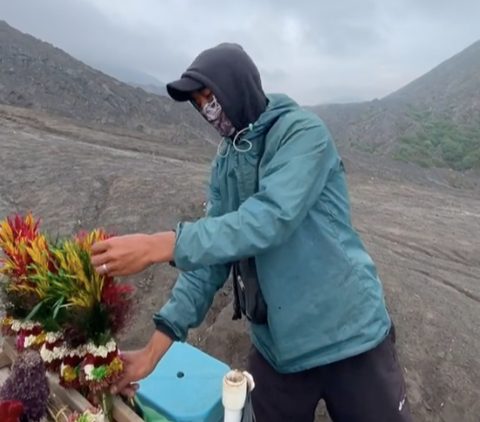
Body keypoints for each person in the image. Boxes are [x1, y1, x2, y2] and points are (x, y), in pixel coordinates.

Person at [90, 43, 413, 422]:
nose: (207, 110)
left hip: (350, 338)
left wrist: (161, 244)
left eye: (211, 96)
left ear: (239, 88)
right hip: (279, 351)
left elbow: (268, 220)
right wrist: (151, 352)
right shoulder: (225, 164)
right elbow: (211, 260)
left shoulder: (301, 134)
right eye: (198, 102)